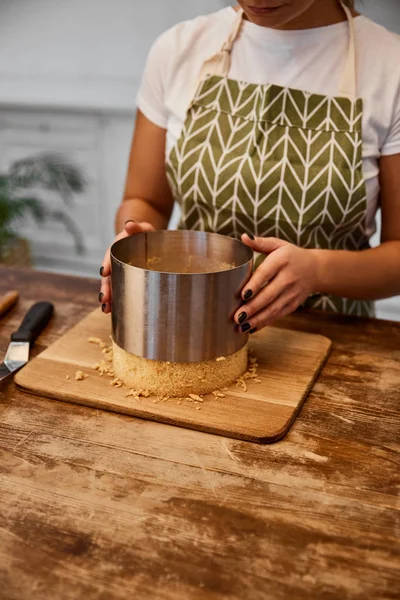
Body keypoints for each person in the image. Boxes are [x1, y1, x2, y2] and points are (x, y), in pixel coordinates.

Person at [99, 0, 400, 334]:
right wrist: (132, 242)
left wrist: (316, 270)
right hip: (193, 331)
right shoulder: (178, 49)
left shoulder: (390, 67)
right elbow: (147, 201)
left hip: (332, 342)